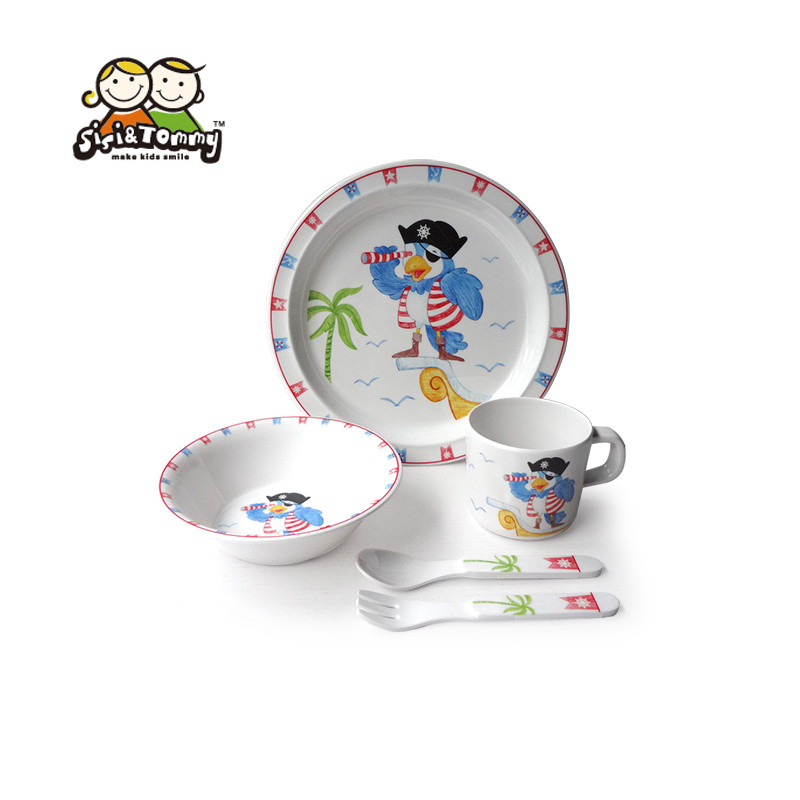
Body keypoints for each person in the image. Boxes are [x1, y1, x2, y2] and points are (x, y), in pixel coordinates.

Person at [82, 58, 154, 136]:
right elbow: (101, 135)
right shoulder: (111, 118)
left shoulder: (142, 115)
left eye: (131, 79)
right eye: (115, 81)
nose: (125, 86)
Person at [147, 58, 205, 132]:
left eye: (181, 84)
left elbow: (199, 134)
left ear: (197, 96)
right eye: (165, 80)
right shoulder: (149, 115)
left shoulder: (186, 118)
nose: (170, 88)